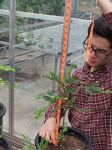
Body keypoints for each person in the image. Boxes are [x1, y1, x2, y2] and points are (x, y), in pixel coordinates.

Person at [39, 0, 112, 150]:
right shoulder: (78, 75)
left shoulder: (109, 77)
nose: (92, 54)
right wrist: (52, 118)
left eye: (101, 51)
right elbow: (61, 101)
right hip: (76, 142)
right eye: (90, 46)